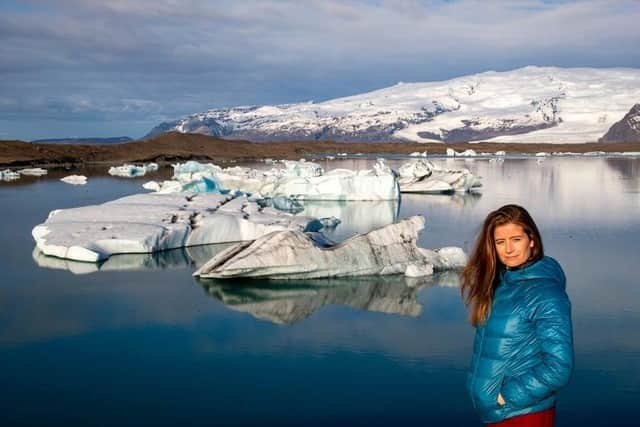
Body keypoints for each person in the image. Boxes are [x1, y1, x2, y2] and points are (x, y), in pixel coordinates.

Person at [461, 204, 574, 427]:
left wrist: (506, 397)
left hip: (523, 415)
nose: (508, 249)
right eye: (500, 242)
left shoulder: (545, 294)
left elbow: (559, 366)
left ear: (531, 240)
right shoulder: (503, 283)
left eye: (516, 239)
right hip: (500, 414)